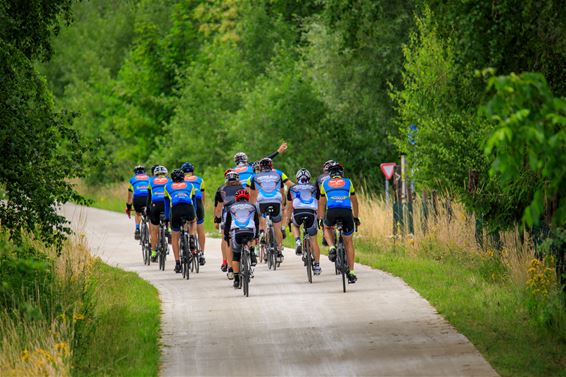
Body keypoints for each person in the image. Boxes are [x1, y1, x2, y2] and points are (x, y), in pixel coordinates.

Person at [318, 162, 361, 284]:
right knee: (348, 242)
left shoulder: (325, 183)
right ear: (341, 173)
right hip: (346, 212)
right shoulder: (348, 182)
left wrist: (321, 218)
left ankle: (331, 247)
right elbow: (355, 201)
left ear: (330, 174)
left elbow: (321, 203)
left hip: (332, 211)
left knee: (326, 227)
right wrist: (356, 217)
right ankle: (352, 272)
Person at [247, 158, 286, 262]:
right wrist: (283, 205)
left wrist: (252, 207)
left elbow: (252, 195)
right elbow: (282, 192)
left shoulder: (255, 177)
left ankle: (262, 231)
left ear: (260, 167)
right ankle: (279, 251)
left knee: (260, 217)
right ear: (271, 166)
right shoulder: (278, 175)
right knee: (277, 226)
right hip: (276, 200)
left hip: (262, 200)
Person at [285, 168, 322, 275]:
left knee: (296, 225)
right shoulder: (314, 188)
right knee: (313, 240)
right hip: (311, 212)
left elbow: (289, 206)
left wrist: (288, 219)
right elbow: (319, 202)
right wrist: (319, 217)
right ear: (309, 179)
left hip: (298, 212)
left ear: (297, 179)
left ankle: (297, 241)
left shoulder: (292, 188)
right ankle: (317, 265)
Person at [223, 189, 259, 288]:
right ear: (247, 198)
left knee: (236, 255)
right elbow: (256, 222)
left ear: (236, 199)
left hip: (237, 232)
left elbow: (228, 224)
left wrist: (226, 236)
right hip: (249, 231)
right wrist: (257, 236)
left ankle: (236, 279)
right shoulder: (252, 207)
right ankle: (251, 251)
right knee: (252, 236)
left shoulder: (231, 208)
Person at [164, 169, 197, 273]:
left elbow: (166, 205)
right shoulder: (190, 185)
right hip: (188, 208)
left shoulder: (167, 186)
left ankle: (178, 263)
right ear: (183, 178)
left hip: (175, 210)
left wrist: (167, 218)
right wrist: (194, 214)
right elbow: (194, 201)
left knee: (175, 237)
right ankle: (191, 237)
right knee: (193, 221)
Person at [214, 170, 244, 279]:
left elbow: (218, 208)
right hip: (241, 215)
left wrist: (216, 220)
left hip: (227, 216)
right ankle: (249, 253)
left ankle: (230, 268)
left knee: (228, 240)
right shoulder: (242, 188)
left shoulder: (221, 189)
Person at [181, 162, 206, 265]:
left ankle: (186, 243)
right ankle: (202, 253)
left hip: (186, 203)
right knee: (200, 226)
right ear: (192, 171)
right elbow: (203, 197)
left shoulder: (181, 180)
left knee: (186, 223)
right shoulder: (200, 180)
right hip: (198, 203)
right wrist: (201, 208)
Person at [146, 165, 170, 262]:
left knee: (154, 230)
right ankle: (168, 228)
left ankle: (154, 252)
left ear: (155, 174)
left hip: (155, 205)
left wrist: (148, 209)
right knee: (170, 211)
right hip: (165, 204)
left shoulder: (150, 181)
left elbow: (149, 197)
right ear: (165, 173)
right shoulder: (169, 181)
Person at [125, 165, 149, 240]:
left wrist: (128, 207)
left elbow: (129, 198)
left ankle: (137, 229)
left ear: (135, 173)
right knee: (151, 216)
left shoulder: (132, 180)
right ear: (144, 172)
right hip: (148, 198)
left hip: (138, 199)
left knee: (138, 213)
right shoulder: (149, 179)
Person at [316, 160, 335, 246]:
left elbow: (317, 195)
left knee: (324, 218)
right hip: (338, 200)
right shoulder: (337, 177)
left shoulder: (319, 178)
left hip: (324, 201)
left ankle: (325, 235)